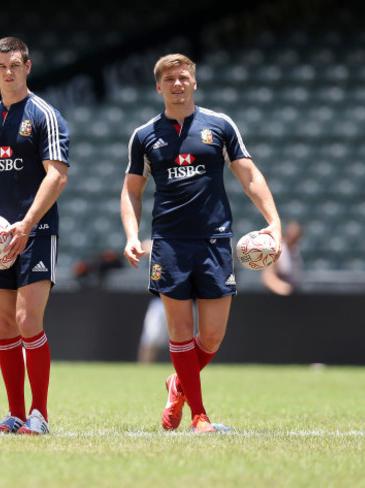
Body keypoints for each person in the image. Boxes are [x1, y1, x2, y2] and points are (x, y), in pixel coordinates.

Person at [120, 54, 282, 434]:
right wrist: (131, 234)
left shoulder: (220, 126)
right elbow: (131, 191)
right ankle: (199, 416)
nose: (177, 84)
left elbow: (250, 176)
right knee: (178, 331)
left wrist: (272, 221)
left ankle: (178, 384)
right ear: (158, 87)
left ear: (194, 83)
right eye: (169, 79)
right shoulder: (145, 136)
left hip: (215, 242)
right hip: (169, 244)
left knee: (211, 335)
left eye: (183, 77)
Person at [0, 37, 69, 435]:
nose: (9, 72)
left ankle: (39, 415)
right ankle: (14, 415)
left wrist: (25, 225)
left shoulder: (45, 115)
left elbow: (57, 175)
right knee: (4, 323)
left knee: (27, 320)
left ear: (28, 67)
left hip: (36, 231)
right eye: (1, 66)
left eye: (15, 65)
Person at [262, 220, 304, 295]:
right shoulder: (277, 250)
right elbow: (267, 276)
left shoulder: (295, 251)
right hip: (276, 296)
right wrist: (283, 288)